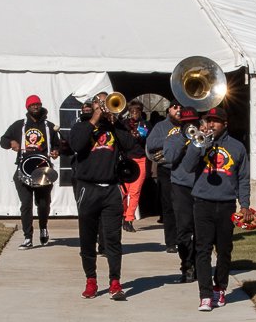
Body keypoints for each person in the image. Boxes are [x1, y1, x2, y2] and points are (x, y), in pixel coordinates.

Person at [66, 95, 139, 300]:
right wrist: (96, 117)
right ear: (93, 105)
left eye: (109, 102)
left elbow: (131, 147)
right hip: (87, 189)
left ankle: (115, 281)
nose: (106, 106)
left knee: (113, 239)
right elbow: (77, 145)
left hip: (111, 189)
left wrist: (115, 123)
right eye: (101, 102)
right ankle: (91, 280)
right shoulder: (82, 125)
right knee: (87, 239)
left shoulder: (116, 127)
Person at [179, 107, 250, 311]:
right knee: (203, 249)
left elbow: (243, 178)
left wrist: (244, 204)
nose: (211, 125)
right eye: (208, 120)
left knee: (224, 250)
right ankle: (205, 294)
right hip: (202, 202)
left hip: (227, 203)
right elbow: (187, 166)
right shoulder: (199, 142)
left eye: (215, 121)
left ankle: (220, 287)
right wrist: (199, 145)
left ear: (224, 124)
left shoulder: (237, 147)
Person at [0, 94, 62, 248]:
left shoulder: (49, 127)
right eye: (32, 104)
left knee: (43, 203)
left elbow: (59, 145)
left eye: (38, 104)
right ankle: (28, 237)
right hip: (23, 169)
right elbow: (3, 140)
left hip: (43, 170)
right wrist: (11, 142)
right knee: (26, 204)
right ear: (27, 107)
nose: (36, 106)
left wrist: (56, 151)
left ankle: (43, 228)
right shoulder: (19, 125)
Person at [161, 106, 200, 283]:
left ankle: (201, 266)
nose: (190, 126)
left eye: (193, 123)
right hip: (181, 187)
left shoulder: (202, 138)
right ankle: (187, 266)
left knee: (202, 230)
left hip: (201, 187)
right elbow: (169, 158)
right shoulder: (173, 139)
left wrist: (199, 141)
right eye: (186, 123)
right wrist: (185, 138)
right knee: (183, 230)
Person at [146, 101, 188, 253]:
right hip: (167, 169)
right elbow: (150, 144)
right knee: (168, 206)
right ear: (169, 110)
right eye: (175, 107)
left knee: (184, 206)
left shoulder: (189, 125)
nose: (178, 110)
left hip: (184, 169)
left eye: (180, 107)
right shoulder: (161, 126)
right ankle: (171, 242)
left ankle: (184, 238)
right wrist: (172, 141)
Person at [119, 100, 149, 232]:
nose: (134, 114)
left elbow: (144, 138)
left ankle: (129, 219)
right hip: (126, 159)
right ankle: (123, 215)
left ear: (141, 112)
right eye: (132, 112)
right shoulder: (124, 124)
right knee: (124, 191)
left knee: (135, 191)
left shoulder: (145, 124)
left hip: (140, 159)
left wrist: (138, 135)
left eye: (137, 112)